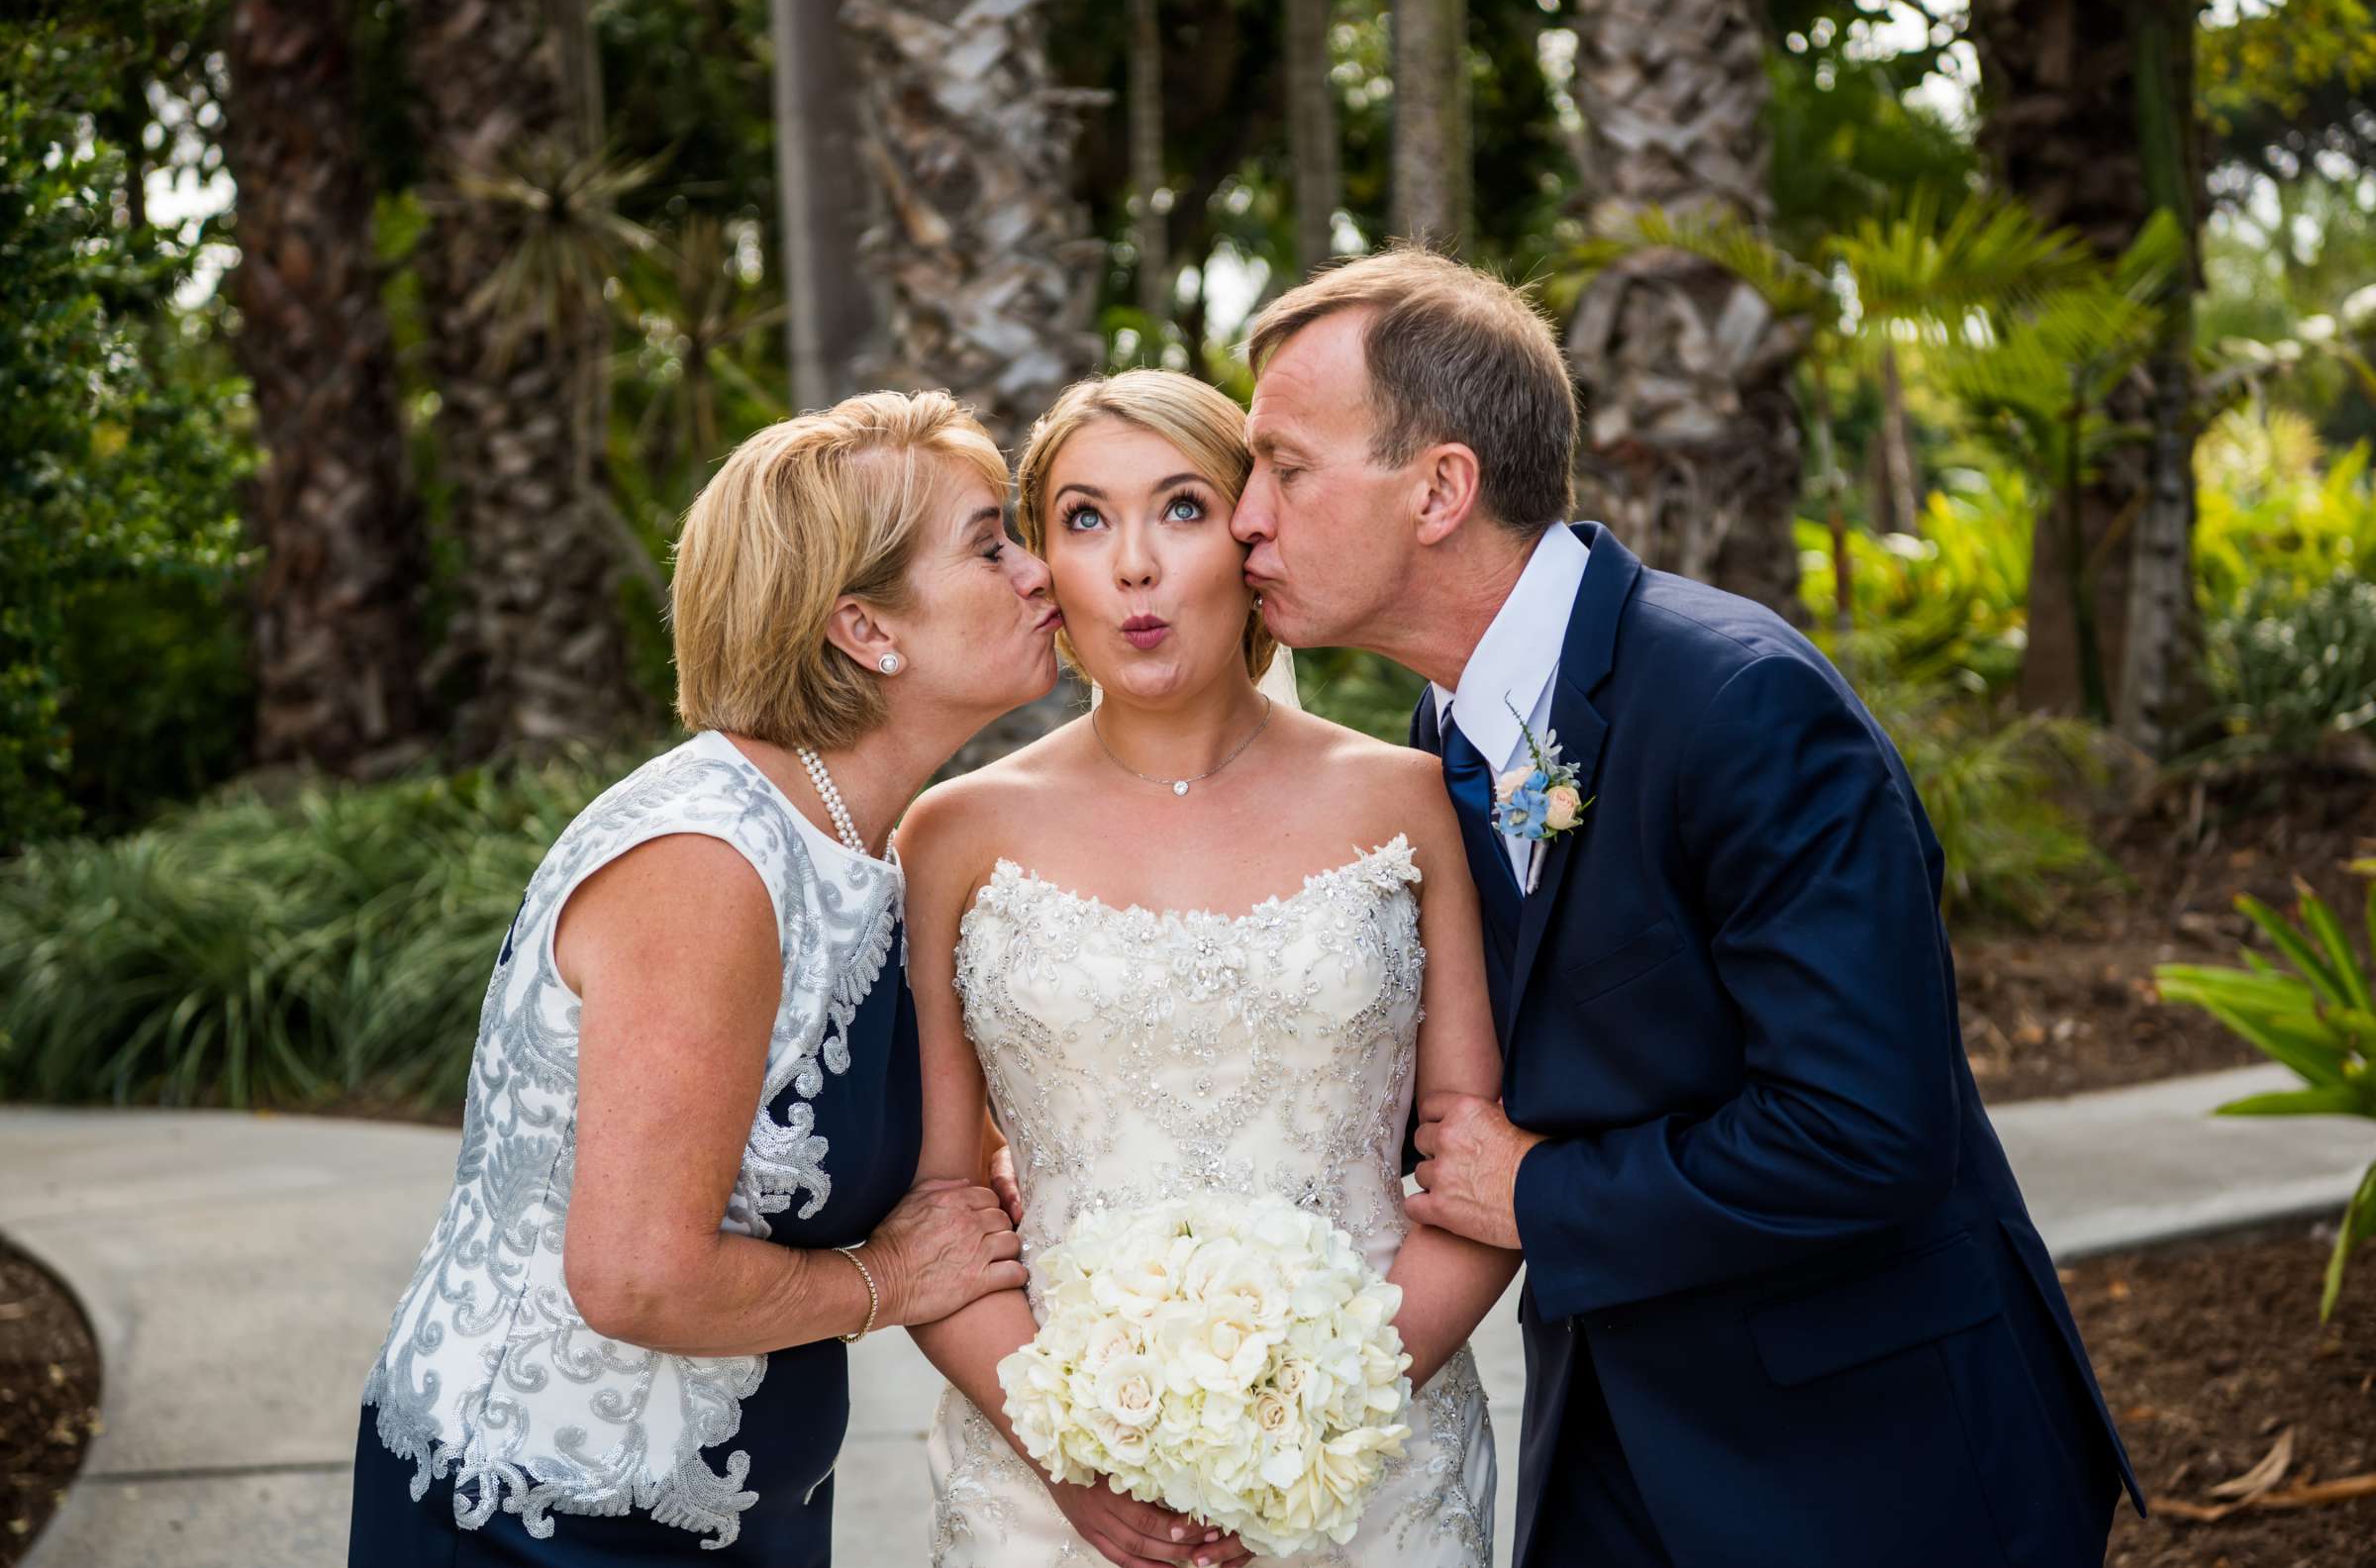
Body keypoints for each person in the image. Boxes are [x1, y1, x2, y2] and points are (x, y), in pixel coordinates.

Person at [1229, 246, 2146, 1568]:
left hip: (1873, 1460)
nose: (1249, 516)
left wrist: (1544, 1192)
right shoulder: (1436, 738)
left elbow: (1868, 1131)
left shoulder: (1739, 705)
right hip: (1622, 1449)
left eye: (1286, 467)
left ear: (1440, 488)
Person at [346, 391, 1057, 1565]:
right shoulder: (707, 862)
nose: (1036, 574)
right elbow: (637, 1277)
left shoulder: (865, 844)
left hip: (737, 1511)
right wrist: (887, 1280)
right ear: (865, 629)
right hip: (546, 1518)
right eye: (991, 544)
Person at [898, 368, 1518, 1568]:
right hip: (1054, 1487)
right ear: (1042, 567)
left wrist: (1312, 1415)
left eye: (1180, 507)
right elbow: (943, 1208)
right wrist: (1069, 1456)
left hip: (1370, 1461)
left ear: (1250, 537)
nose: (1133, 564)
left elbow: (1478, 1168)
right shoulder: (951, 836)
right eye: (1084, 518)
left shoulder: (1411, 800)